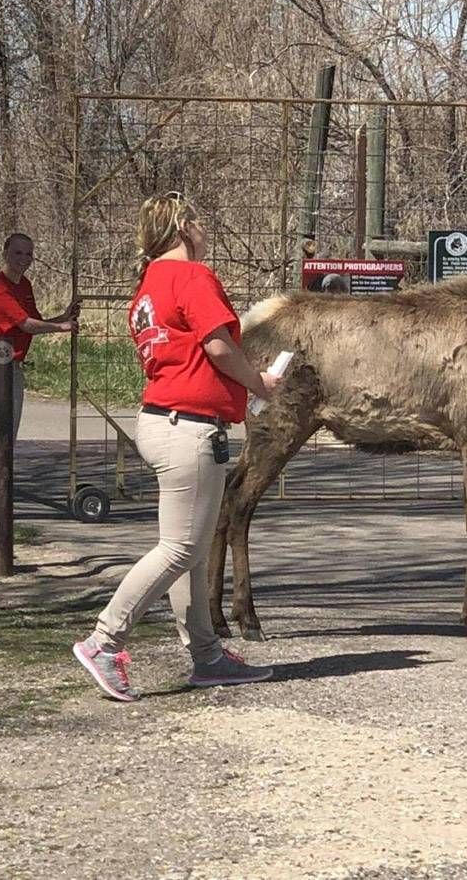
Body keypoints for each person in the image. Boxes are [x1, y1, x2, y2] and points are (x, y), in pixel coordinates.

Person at [72, 191, 281, 702]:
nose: (206, 232)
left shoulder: (147, 287)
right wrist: (258, 383)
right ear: (185, 226)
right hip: (189, 428)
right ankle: (105, 638)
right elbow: (216, 344)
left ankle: (207, 657)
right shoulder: (192, 277)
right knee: (182, 546)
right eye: (201, 222)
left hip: (163, 421)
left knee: (187, 545)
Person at [0, 233, 79, 521]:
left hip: (11, 367)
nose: (24, 259)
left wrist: (62, 317)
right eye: (18, 253)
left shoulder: (25, 286)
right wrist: (61, 328)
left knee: (5, 435)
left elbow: (35, 320)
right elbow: (26, 325)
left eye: (28, 254)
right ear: (5, 252)